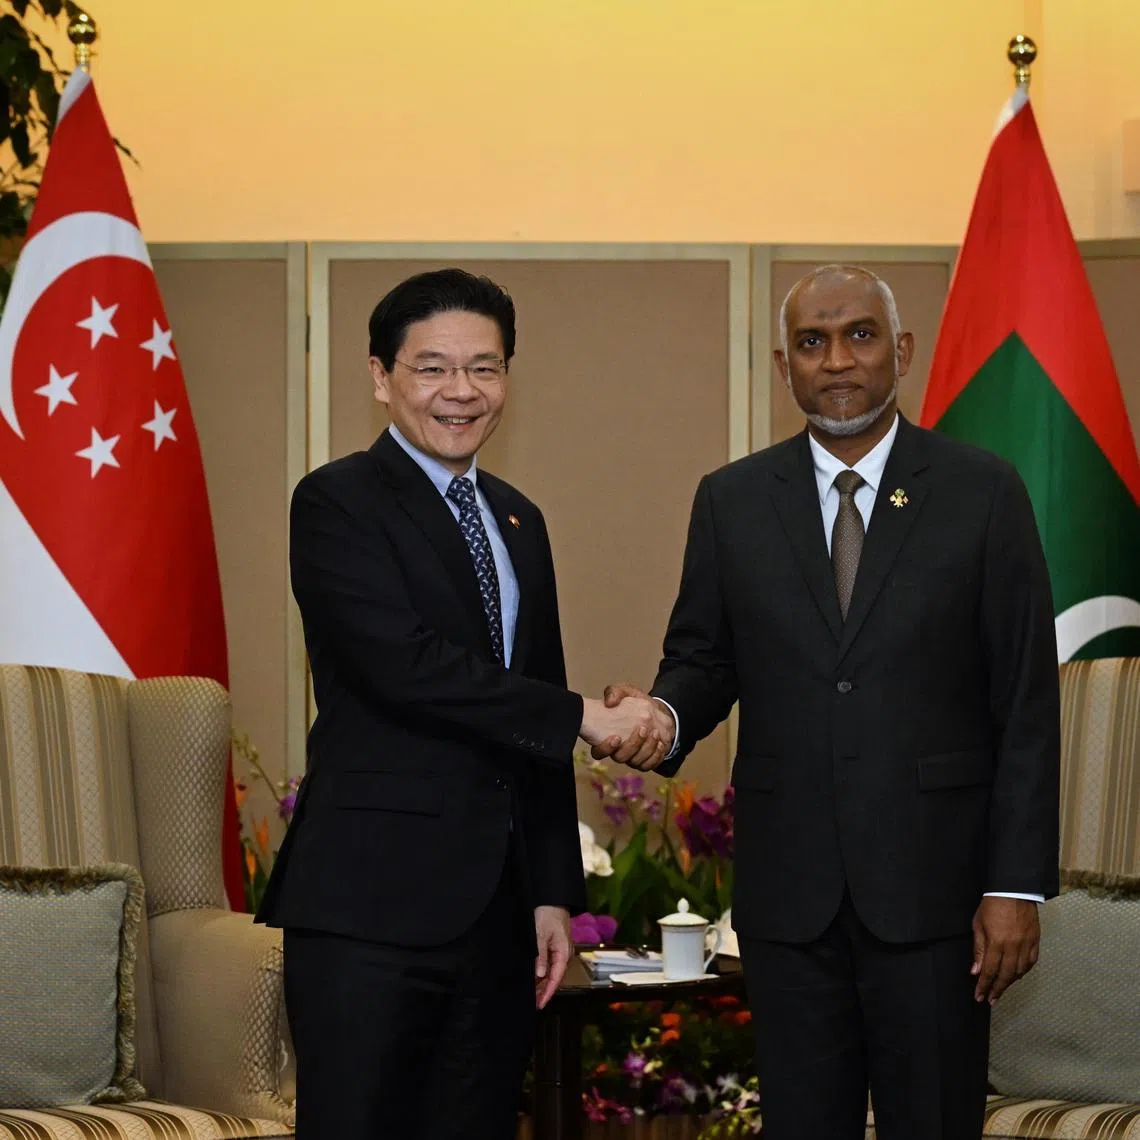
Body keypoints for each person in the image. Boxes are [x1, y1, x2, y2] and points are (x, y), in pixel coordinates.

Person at [598, 265, 1061, 1140]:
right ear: (785, 367)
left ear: (903, 351)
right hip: (790, 896)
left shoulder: (981, 490)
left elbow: (1026, 701)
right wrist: (660, 715)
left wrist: (1014, 885)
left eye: (859, 335)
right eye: (812, 342)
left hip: (937, 896)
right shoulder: (732, 500)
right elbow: (703, 659)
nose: (837, 360)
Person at [256, 268, 662, 1139]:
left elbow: (529, 716)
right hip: (369, 908)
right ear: (380, 375)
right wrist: (586, 715)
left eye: (485, 367)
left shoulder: (518, 519)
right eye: (433, 367)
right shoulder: (335, 502)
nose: (461, 391)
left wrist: (552, 891)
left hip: (497, 917)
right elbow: (402, 667)